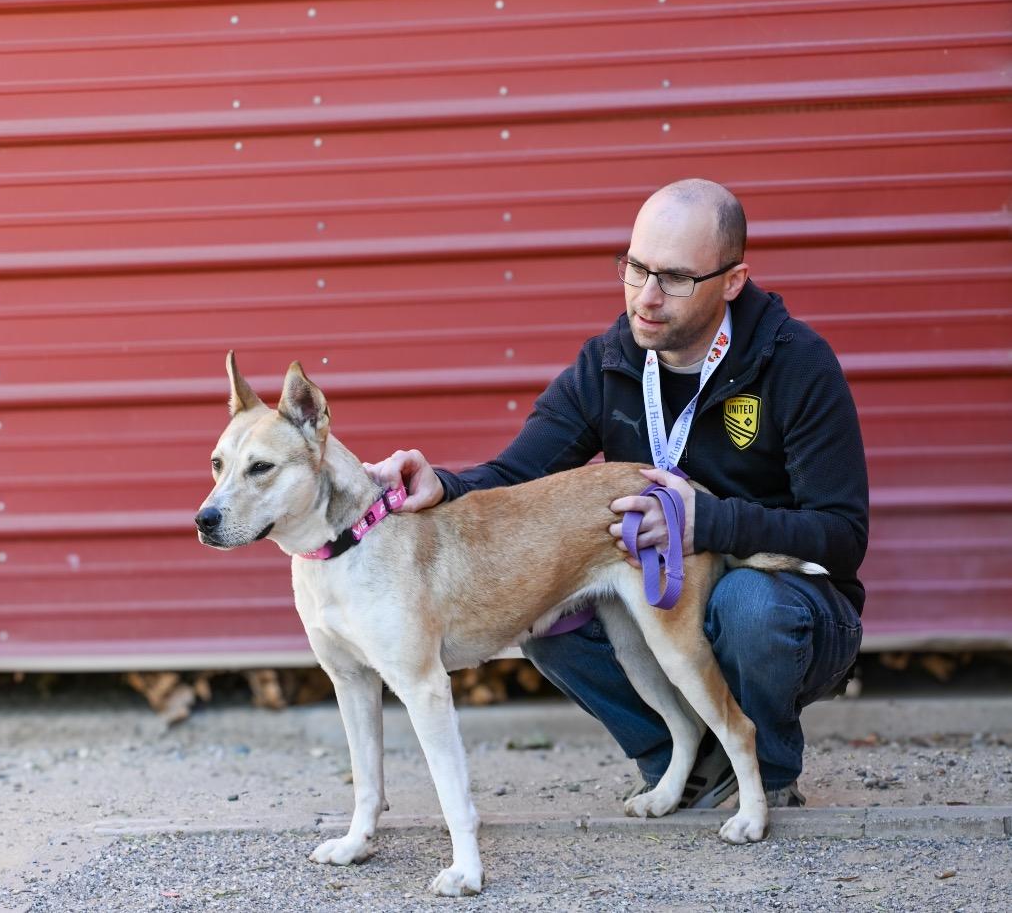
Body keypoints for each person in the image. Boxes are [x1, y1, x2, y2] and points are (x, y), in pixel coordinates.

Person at [365, 178, 868, 809]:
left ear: (733, 281)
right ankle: (680, 761)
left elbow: (843, 537)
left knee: (746, 607)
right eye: (635, 268)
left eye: (677, 278)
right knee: (542, 615)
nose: (647, 298)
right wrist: (446, 483)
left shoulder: (797, 364)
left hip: (791, 601)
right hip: (660, 584)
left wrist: (709, 524)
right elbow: (522, 471)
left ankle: (764, 773)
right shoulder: (609, 361)